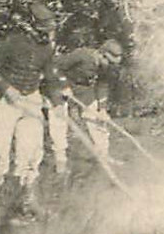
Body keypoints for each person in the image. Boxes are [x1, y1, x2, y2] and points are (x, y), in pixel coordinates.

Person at [0, 1, 59, 223]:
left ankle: (29, 201)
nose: (48, 33)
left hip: (32, 100)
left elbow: (50, 76)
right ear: (32, 26)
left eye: (50, 28)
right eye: (44, 28)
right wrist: (7, 88)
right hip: (8, 101)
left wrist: (58, 101)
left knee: (32, 150)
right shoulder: (12, 43)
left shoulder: (47, 49)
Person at [52, 38, 125, 177]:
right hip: (59, 88)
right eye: (109, 62)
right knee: (59, 123)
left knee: (99, 121)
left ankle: (104, 155)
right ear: (101, 54)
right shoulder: (82, 55)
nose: (110, 66)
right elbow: (55, 68)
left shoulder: (106, 67)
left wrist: (102, 109)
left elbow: (103, 85)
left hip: (83, 90)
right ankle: (60, 160)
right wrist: (64, 86)